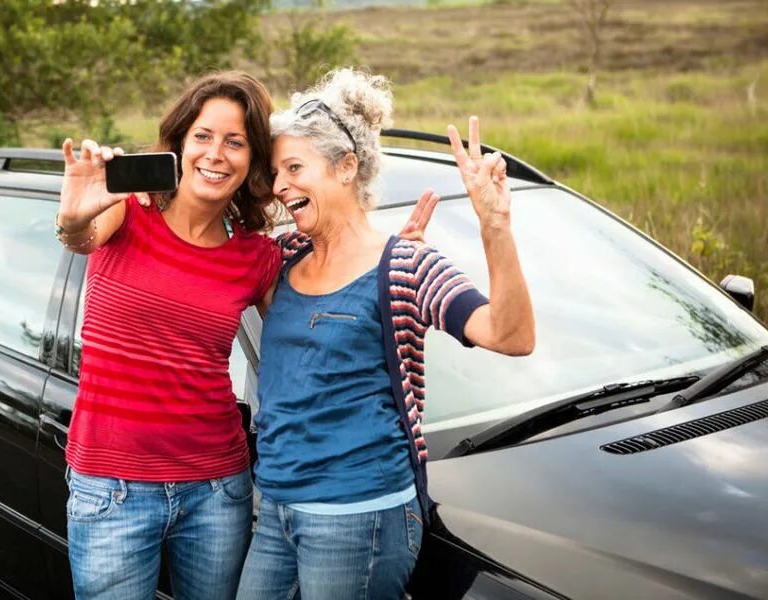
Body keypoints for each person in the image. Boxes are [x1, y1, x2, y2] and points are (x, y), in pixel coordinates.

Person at [236, 69, 535, 599]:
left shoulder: (404, 265)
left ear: (346, 166)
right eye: (275, 173)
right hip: (277, 507)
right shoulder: (281, 259)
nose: (281, 185)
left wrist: (495, 225)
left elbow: (510, 334)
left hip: (358, 516)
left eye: (295, 168)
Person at [54, 72, 282, 600]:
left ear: (252, 161)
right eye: (203, 136)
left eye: (236, 141)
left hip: (218, 489)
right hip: (112, 490)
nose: (216, 154)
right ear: (180, 140)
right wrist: (71, 216)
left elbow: (309, 341)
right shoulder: (125, 208)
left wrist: (382, 259)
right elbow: (79, 238)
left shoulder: (256, 256)